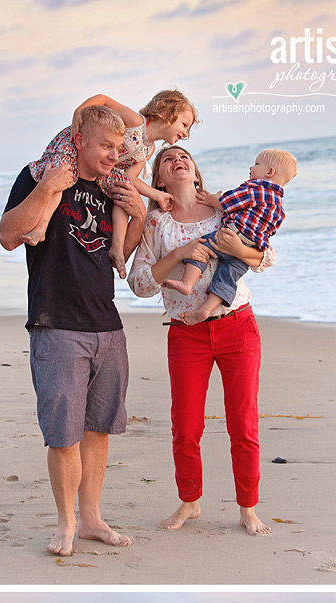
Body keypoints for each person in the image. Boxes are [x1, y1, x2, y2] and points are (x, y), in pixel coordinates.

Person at [0, 104, 149, 557]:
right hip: (56, 324)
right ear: (79, 140)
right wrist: (47, 189)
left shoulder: (112, 186)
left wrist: (139, 213)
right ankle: (65, 524)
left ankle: (92, 520)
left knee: (98, 429)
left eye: (118, 148)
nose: (112, 155)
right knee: (64, 433)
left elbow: (122, 252)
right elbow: (8, 235)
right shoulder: (39, 175)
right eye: (105, 146)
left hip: (107, 325)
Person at [128, 146, 273, 537]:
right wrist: (179, 253)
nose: (178, 159)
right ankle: (190, 502)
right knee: (186, 426)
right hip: (185, 334)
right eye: (167, 158)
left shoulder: (226, 209)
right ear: (158, 179)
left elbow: (265, 257)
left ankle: (248, 508)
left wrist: (237, 249)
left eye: (184, 156)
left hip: (237, 326)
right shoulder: (155, 224)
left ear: (194, 172)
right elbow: (140, 284)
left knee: (243, 424)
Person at [24, 92, 186, 277]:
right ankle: (41, 227)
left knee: (124, 189)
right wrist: (79, 112)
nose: (185, 133)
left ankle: (117, 247)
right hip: (74, 147)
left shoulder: (149, 149)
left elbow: (131, 178)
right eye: (184, 124)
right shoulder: (135, 122)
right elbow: (103, 99)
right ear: (168, 113)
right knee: (62, 175)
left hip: (102, 167)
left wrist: (158, 195)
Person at [162, 148, 296, 325]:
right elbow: (268, 232)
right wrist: (244, 251)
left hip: (233, 234)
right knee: (227, 277)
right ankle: (205, 309)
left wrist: (211, 200)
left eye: (256, 164)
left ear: (269, 172)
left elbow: (229, 202)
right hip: (253, 245)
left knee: (201, 248)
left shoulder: (255, 188)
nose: (251, 167)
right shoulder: (278, 205)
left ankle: (187, 282)